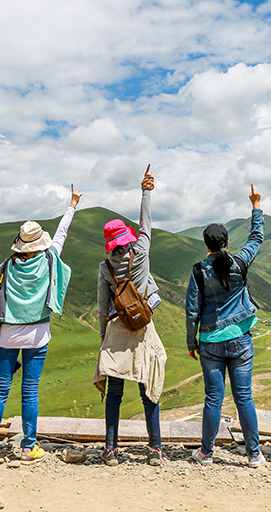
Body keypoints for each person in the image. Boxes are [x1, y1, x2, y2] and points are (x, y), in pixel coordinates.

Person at [0, 186, 77, 463]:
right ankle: (29, 448)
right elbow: (62, 235)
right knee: (30, 391)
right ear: (40, 242)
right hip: (38, 334)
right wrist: (72, 205)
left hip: (7, 334)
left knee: (1, 389)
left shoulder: (7, 266)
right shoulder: (50, 259)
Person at [186, 184, 265, 468]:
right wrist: (256, 206)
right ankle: (254, 454)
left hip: (210, 341)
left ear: (206, 245)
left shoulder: (198, 270)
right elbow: (257, 237)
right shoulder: (240, 262)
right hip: (241, 339)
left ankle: (206, 453)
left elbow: (192, 310)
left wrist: (191, 342)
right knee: (244, 397)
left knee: (213, 399)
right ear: (227, 242)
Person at [94, 166, 167, 467]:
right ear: (127, 237)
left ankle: (111, 450)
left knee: (115, 392)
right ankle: (155, 449)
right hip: (143, 327)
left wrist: (102, 333)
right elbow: (146, 223)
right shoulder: (143, 251)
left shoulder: (104, 268)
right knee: (148, 386)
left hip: (115, 328)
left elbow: (101, 305)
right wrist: (146, 190)